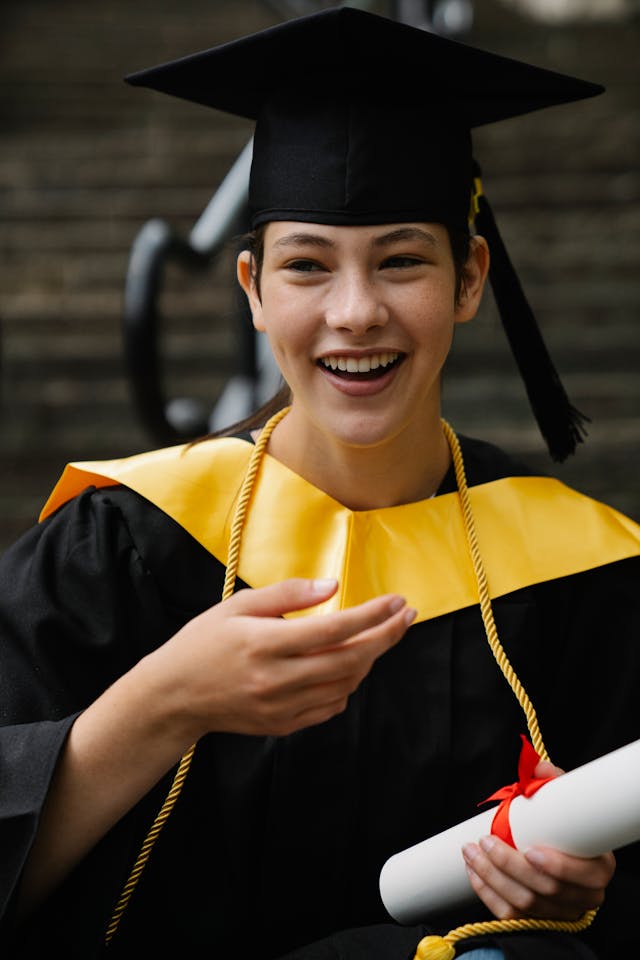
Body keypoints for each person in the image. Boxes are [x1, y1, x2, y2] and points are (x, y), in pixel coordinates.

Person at [0, 7, 638, 960]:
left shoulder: (583, 572)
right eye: (307, 266)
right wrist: (164, 703)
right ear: (252, 290)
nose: (354, 312)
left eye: (402, 261)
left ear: (469, 280)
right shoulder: (119, 546)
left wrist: (585, 894)